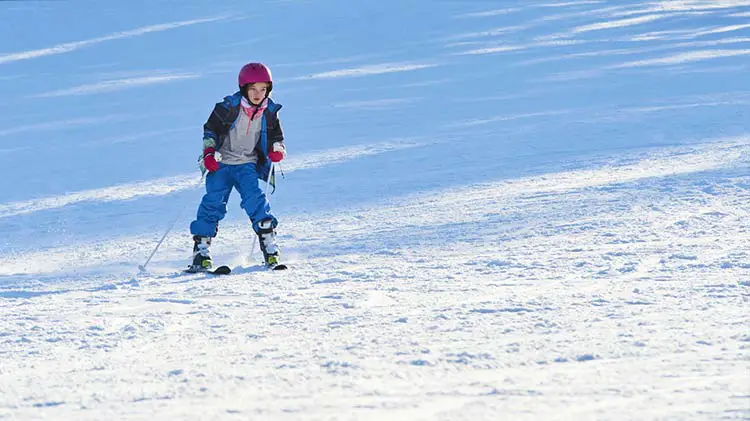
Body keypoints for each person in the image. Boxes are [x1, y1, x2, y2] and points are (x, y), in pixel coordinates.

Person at [188, 62, 286, 271]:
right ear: (244, 88)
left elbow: (276, 137)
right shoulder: (227, 108)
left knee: (256, 200)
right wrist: (208, 153)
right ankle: (201, 252)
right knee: (213, 203)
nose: (258, 94)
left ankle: (269, 246)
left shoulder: (269, 112)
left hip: (247, 165)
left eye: (263, 89)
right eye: (253, 89)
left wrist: (277, 149)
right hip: (220, 163)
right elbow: (210, 131)